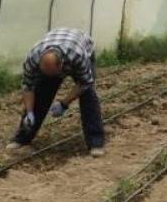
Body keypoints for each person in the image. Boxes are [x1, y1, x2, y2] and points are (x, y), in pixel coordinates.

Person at [6, 27, 106, 157]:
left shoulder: (77, 56)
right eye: (45, 71)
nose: (50, 76)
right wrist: (30, 112)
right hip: (58, 46)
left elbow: (84, 83)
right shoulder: (33, 57)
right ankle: (22, 138)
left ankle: (96, 142)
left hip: (82, 46)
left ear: (61, 66)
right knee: (41, 94)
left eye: (53, 73)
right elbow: (28, 86)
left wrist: (64, 104)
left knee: (89, 97)